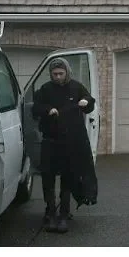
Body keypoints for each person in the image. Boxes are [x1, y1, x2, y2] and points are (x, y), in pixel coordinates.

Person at [32, 57, 96, 233]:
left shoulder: (76, 87)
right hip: (50, 141)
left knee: (68, 177)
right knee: (48, 177)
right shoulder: (45, 89)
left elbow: (90, 102)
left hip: (71, 142)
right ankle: (50, 212)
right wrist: (47, 110)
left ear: (67, 72)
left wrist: (86, 102)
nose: (58, 77)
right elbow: (35, 109)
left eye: (61, 74)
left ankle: (64, 214)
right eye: (55, 74)